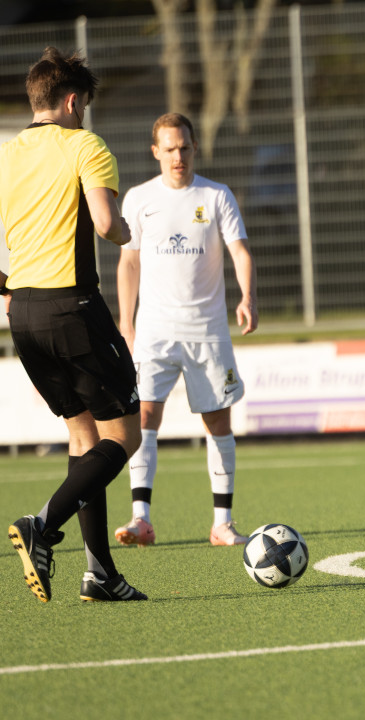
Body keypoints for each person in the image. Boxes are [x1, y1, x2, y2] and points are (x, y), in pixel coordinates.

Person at [1, 47, 146, 602]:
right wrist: (124, 233)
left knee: (84, 438)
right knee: (124, 435)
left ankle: (100, 573)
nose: (83, 115)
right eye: (82, 105)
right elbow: (107, 223)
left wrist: (6, 286)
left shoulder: (9, 153)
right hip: (73, 308)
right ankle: (43, 523)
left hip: (23, 313)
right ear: (70, 101)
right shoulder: (85, 144)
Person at [113, 112, 259, 548]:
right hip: (155, 330)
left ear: (195, 148)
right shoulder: (139, 199)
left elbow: (241, 250)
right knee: (142, 419)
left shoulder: (216, 196)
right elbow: (129, 263)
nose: (178, 156)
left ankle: (222, 524)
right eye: (170, 149)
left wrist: (247, 297)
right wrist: (126, 323)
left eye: (185, 147)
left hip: (208, 331)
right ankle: (141, 519)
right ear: (155, 151)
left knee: (218, 423)